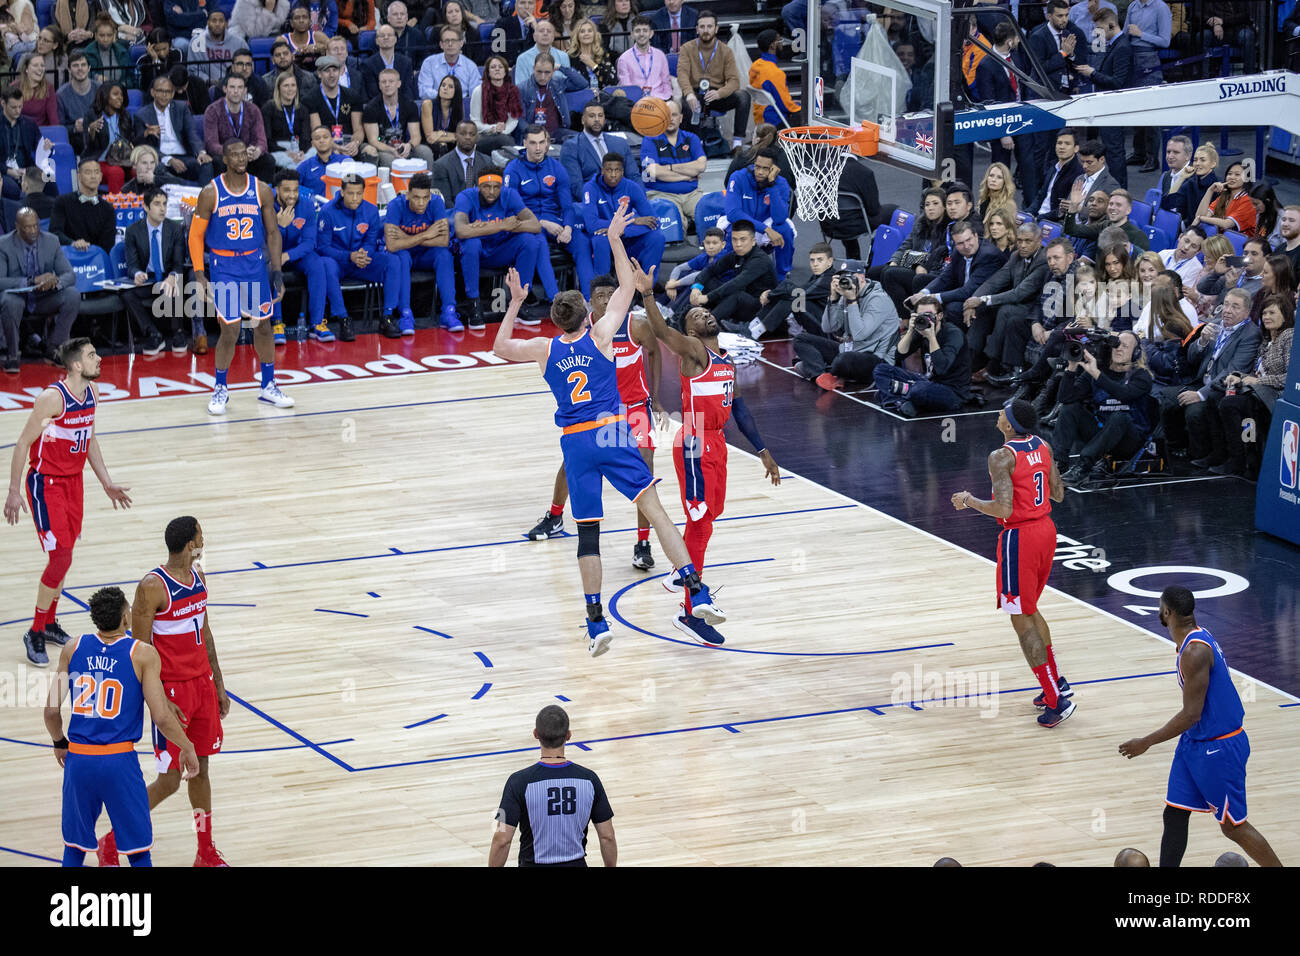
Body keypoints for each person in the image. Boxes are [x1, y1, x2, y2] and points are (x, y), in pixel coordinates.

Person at [492, 207, 724, 655]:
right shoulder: (600, 337)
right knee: (654, 506)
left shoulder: (544, 348)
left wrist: (517, 302)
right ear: (585, 315)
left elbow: (501, 347)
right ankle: (696, 587)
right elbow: (625, 288)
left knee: (588, 535)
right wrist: (616, 238)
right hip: (610, 431)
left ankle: (596, 621)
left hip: (575, 442)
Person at [637, 263, 777, 644]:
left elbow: (740, 410)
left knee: (710, 517)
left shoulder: (726, 361)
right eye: (698, 314)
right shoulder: (694, 351)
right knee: (698, 518)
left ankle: (678, 572)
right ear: (691, 331)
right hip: (695, 441)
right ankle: (689, 607)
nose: (706, 313)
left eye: (707, 310)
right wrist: (648, 294)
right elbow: (663, 331)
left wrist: (763, 450)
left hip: (718, 444)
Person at [1119, 586, 1282, 867]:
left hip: (1219, 746)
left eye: (1160, 607)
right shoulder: (1194, 639)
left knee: (1233, 826)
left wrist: (1146, 741)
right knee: (1175, 813)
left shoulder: (1194, 651)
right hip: (1194, 743)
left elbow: (1192, 714)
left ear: (1166, 612)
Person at [44, 586, 199, 868]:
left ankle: (67, 910)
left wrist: (59, 742)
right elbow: (161, 717)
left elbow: (51, 711)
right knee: (138, 851)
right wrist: (187, 747)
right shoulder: (142, 654)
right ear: (125, 617)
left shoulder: (72, 648)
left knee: (75, 848)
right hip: (118, 761)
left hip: (79, 760)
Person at [110, 516, 234, 868]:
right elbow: (139, 647)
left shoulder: (200, 579)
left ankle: (205, 851)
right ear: (189, 544)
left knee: (202, 771)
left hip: (202, 687)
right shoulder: (152, 587)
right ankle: (112, 840)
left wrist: (219, 685)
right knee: (169, 781)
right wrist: (159, 699)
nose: (204, 540)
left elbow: (205, 634)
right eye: (200, 535)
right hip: (172, 693)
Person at [525, 272, 665, 569]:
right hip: (600, 412)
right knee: (571, 462)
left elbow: (654, 352)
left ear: (617, 297)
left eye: (608, 294)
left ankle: (642, 542)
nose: (604, 299)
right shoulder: (582, 332)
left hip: (634, 407)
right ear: (589, 302)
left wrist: (656, 396)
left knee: (646, 465)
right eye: (598, 295)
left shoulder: (635, 325)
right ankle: (554, 515)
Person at [4, 338, 131, 664]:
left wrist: (106, 482)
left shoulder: (93, 394)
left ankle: (47, 624)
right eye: (92, 355)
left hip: (74, 484)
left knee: (66, 556)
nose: (99, 358)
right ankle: (34, 631)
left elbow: (88, 439)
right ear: (76, 365)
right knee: (59, 557)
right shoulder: (52, 399)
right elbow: (22, 444)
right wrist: (14, 491)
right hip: (45, 485)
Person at [951, 399, 1073, 727]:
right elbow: (1058, 493)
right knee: (1031, 609)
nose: (997, 413)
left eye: (1001, 411)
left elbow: (1004, 509)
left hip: (1019, 538)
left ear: (1009, 424)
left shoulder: (1001, 456)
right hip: (1047, 531)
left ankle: (1054, 699)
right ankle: (1056, 680)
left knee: (1020, 618)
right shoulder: (1043, 445)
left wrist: (969, 501)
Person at [190, 139, 294, 415]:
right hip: (224, 266)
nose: (239, 158)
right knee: (231, 330)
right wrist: (200, 273)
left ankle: (268, 385)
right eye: (233, 154)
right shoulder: (210, 192)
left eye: (243, 153)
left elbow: (273, 233)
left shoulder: (261, 189)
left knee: (263, 326)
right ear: (224, 158)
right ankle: (221, 387)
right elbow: (196, 236)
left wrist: (276, 271)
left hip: (255, 264)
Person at [490, 705, 616, 866]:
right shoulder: (590, 780)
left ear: (536, 734)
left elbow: (501, 839)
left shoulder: (517, 782)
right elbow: (607, 836)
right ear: (568, 735)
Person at [1158, 288, 1261, 465]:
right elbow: (1191, 358)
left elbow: (1233, 369)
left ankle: (1200, 457)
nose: (1228, 310)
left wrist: (1200, 395)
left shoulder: (1250, 334)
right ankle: (1176, 449)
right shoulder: (1215, 323)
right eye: (1226, 304)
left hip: (1220, 389)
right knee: (1165, 397)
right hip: (1200, 381)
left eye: (1235, 307)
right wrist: (1202, 342)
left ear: (1246, 312)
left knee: (1194, 411)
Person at [1050, 331, 1154, 485]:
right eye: (1116, 345)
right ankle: (1060, 464)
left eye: (1125, 347)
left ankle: (1083, 466)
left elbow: (1123, 394)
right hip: (1101, 436)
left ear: (1136, 353)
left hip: (1129, 441)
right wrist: (1071, 368)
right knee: (1070, 408)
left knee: (1120, 416)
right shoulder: (1099, 371)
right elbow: (1065, 398)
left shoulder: (1141, 376)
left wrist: (1096, 373)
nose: (1119, 349)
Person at [505, 124, 594, 298]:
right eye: (532, 143)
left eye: (541, 142)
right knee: (539, 243)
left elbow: (567, 206)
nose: (538, 148)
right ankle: (556, 299)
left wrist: (568, 227)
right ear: (524, 143)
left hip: (556, 221)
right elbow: (511, 210)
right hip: (528, 225)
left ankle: (590, 300)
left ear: (547, 143)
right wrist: (541, 223)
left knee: (582, 242)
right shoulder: (513, 169)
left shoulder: (557, 167)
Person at [316, 172, 407, 339]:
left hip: (362, 261)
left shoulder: (371, 210)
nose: (355, 198)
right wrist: (349, 256)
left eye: (359, 193)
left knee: (393, 261)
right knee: (325, 264)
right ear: (342, 192)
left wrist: (364, 254)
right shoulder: (327, 212)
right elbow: (323, 247)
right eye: (350, 193)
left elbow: (371, 242)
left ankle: (386, 317)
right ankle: (343, 318)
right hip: (338, 262)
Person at [1213, 295, 1293, 478]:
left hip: (1274, 396)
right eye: (1264, 312)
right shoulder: (1266, 341)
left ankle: (1241, 461)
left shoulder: (1289, 336)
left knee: (1231, 404)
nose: (1266, 316)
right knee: (1222, 396)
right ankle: (1242, 459)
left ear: (1285, 315)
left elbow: (1290, 377)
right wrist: (1239, 377)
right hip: (1257, 393)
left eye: (1272, 312)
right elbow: (1257, 374)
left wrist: (1257, 382)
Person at [964, 223, 1050, 384]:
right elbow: (995, 281)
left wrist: (983, 299)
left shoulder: (1044, 261)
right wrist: (974, 301)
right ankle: (971, 357)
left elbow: (1020, 293)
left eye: (1028, 241)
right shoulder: (1016, 256)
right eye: (1019, 241)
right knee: (983, 309)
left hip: (1035, 309)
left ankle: (992, 365)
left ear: (1039, 241)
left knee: (1005, 311)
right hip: (1017, 303)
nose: (1023, 245)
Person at [795, 259, 896, 389]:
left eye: (850, 276)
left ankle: (819, 368)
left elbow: (860, 334)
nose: (846, 280)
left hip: (876, 358)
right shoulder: (846, 294)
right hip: (851, 349)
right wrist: (833, 298)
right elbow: (828, 327)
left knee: (843, 360)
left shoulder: (878, 299)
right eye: (843, 276)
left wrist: (852, 301)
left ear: (862, 277)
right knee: (801, 339)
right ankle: (819, 374)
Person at [272, 168, 347, 343]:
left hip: (295, 254)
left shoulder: (306, 205)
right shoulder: (266, 206)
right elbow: (263, 240)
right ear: (277, 190)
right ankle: (276, 322)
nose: (292, 195)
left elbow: (309, 242)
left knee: (317, 264)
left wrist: (288, 256)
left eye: (295, 190)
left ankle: (317, 323)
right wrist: (281, 228)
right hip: (272, 253)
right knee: (269, 266)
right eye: (286, 190)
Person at [383, 171, 460, 333]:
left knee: (444, 255)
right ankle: (405, 314)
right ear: (408, 194)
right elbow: (391, 246)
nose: (421, 203)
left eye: (425, 197)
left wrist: (406, 238)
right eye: (416, 197)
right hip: (406, 254)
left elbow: (443, 240)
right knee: (401, 256)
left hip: (426, 255)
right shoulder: (395, 206)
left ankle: (449, 312)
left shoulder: (437, 202)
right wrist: (426, 234)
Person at [873, 295, 972, 418]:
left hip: (952, 392)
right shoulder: (921, 330)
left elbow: (942, 368)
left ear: (939, 316)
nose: (926, 318)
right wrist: (910, 330)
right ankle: (899, 402)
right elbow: (899, 355)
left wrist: (931, 337)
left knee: (918, 390)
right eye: (921, 315)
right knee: (882, 370)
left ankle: (896, 395)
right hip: (928, 382)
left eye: (929, 314)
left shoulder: (953, 334)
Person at [975, 22, 1037, 205]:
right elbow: (989, 103)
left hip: (1021, 119)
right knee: (1001, 168)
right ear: (1010, 41)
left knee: (1028, 165)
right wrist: (1003, 132)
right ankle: (999, 205)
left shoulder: (1017, 57)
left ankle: (1031, 205)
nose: (1019, 41)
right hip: (1002, 124)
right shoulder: (986, 65)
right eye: (1017, 38)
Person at [122, 187, 188, 355]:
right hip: (149, 280)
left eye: (164, 204)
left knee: (177, 283)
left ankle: (178, 333)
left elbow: (179, 263)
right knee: (127, 294)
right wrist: (137, 274)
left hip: (169, 276)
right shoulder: (133, 231)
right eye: (157, 204)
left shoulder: (175, 229)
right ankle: (153, 334)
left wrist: (172, 277)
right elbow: (131, 265)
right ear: (146, 207)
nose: (162, 208)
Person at [903, 221, 1005, 330]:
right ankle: (920, 327)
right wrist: (923, 293)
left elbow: (968, 291)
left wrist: (930, 298)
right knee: (921, 281)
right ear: (955, 243)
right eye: (960, 243)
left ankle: (946, 338)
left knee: (952, 307)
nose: (966, 246)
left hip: (985, 301)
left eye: (968, 240)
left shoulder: (988, 256)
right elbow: (946, 277)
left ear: (976, 236)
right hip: (963, 291)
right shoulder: (958, 250)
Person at [1073, 8, 1132, 188]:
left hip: (1113, 108)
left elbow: (1117, 82)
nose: (1097, 33)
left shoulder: (1122, 47)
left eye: (1100, 28)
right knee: (1113, 151)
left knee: (1114, 153)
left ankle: (1119, 192)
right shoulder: (1116, 44)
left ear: (1111, 25)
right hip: (1108, 107)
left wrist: (1092, 73)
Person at [582, 153, 664, 280]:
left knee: (657, 237)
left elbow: (653, 221)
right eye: (609, 170)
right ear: (602, 170)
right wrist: (633, 221)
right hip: (605, 240)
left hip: (627, 240)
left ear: (622, 171)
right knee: (600, 239)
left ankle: (647, 289)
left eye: (617, 170)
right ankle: (603, 290)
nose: (613, 175)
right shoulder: (590, 188)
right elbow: (591, 224)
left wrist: (624, 230)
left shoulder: (631, 187)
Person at [675, 9, 748, 152]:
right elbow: (682, 74)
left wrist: (720, 93)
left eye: (709, 26)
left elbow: (734, 81)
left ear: (716, 29)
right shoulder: (686, 48)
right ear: (697, 29)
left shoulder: (725, 51)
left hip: (717, 95)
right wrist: (688, 93)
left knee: (743, 97)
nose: (706, 30)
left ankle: (737, 143)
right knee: (684, 104)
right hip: (695, 94)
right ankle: (695, 145)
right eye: (702, 27)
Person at [679, 219, 775, 326]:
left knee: (736, 294)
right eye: (735, 239)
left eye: (743, 240)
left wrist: (707, 297)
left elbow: (737, 283)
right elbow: (711, 269)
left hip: (758, 308)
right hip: (738, 302)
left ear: (753, 241)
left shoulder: (760, 260)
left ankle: (706, 326)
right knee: (706, 282)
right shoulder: (736, 255)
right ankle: (684, 319)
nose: (738, 244)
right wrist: (696, 288)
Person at [721, 147, 795, 281]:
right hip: (743, 224)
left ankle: (781, 277)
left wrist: (772, 186)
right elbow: (733, 213)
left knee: (785, 229)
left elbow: (779, 218)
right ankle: (730, 276)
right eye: (757, 166)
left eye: (765, 168)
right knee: (735, 231)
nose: (760, 172)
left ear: (774, 169)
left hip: (764, 225)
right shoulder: (738, 177)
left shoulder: (781, 183)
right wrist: (766, 229)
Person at [743, 240, 836, 340]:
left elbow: (799, 292)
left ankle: (754, 332)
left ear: (830, 262)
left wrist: (770, 294)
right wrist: (775, 293)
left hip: (828, 332)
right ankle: (751, 327)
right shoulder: (820, 275)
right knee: (789, 293)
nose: (815, 264)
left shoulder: (828, 279)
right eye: (812, 260)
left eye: (820, 260)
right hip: (817, 319)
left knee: (793, 297)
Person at [1121, 0, 1170, 171]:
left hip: (1149, 57)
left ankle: (1152, 157)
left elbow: (1165, 41)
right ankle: (1139, 152)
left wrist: (1141, 34)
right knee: (1135, 108)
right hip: (1131, 58)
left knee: (1150, 110)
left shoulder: (1161, 7)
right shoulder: (1133, 6)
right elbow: (1126, 33)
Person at [639, 99, 705, 225]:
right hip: (662, 194)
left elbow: (701, 166)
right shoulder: (649, 139)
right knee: (676, 226)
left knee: (710, 214)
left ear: (680, 118)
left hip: (692, 194)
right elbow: (653, 171)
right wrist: (687, 175)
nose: (670, 119)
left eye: (674, 115)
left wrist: (668, 168)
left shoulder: (692, 138)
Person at [138, 74, 212, 184]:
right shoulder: (143, 114)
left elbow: (192, 134)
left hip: (184, 157)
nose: (164, 95)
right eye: (160, 91)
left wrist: (201, 152)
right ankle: (187, 189)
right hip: (160, 159)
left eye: (168, 92)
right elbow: (145, 146)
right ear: (153, 93)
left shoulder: (181, 108)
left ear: (173, 94)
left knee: (206, 164)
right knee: (157, 171)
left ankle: (203, 197)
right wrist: (169, 160)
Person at [203, 75, 277, 182]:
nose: (236, 91)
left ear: (245, 90)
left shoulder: (253, 110)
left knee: (268, 160)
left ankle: (260, 195)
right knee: (218, 161)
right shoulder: (213, 110)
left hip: (248, 157)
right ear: (225, 89)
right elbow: (211, 144)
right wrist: (236, 153)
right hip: (226, 157)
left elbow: (261, 141)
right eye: (232, 87)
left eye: (240, 87)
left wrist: (257, 151)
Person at [303, 55, 374, 162]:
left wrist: (355, 143)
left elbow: (358, 130)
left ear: (340, 72)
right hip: (325, 144)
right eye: (327, 71)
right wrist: (336, 147)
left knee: (371, 151)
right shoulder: (310, 98)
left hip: (350, 143)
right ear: (319, 74)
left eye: (335, 70)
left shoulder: (353, 96)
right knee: (334, 154)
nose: (332, 75)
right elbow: (318, 132)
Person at [73, 82, 139, 195]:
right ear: (105, 96)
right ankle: (115, 207)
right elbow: (88, 145)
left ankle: (137, 206)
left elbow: (131, 140)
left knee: (138, 172)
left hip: (122, 161)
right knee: (116, 172)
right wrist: (91, 131)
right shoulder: (92, 115)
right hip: (99, 161)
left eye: (122, 95)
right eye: (115, 94)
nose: (120, 98)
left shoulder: (125, 115)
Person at [363, 68, 435, 170]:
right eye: (383, 82)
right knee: (392, 162)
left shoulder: (409, 105)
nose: (387, 84)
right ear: (379, 85)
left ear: (399, 84)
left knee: (425, 151)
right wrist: (391, 150)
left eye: (391, 81)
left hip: (403, 147)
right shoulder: (371, 108)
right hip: (383, 150)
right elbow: (373, 141)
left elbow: (416, 136)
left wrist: (409, 145)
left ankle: (426, 184)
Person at [560, 102, 631, 202]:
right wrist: (606, 203)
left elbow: (634, 176)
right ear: (583, 120)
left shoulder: (620, 143)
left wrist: (639, 199)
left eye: (600, 116)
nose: (597, 120)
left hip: (623, 200)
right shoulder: (571, 147)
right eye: (592, 116)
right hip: (595, 203)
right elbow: (576, 187)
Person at [50, 157, 116, 254]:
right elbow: (55, 232)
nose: (93, 176)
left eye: (96, 172)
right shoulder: (62, 202)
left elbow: (107, 245)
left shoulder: (108, 209)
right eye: (88, 172)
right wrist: (73, 243)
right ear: (78, 176)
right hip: (68, 256)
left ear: (101, 176)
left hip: (96, 260)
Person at [1064, 188, 1149, 252]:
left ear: (1128, 210)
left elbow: (1141, 267)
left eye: (1118, 205)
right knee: (1068, 274)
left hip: (1124, 275)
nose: (1113, 208)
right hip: (1098, 273)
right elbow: (1071, 230)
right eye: (1111, 204)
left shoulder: (1138, 236)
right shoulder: (1103, 226)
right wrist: (1073, 207)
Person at [472, 54, 523, 155]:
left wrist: (502, 132)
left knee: (504, 140)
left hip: (505, 134)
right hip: (483, 135)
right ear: (488, 72)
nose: (497, 69)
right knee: (505, 142)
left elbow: (513, 120)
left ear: (505, 71)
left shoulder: (512, 91)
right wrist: (493, 129)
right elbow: (475, 122)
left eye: (500, 67)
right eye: (493, 67)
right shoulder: (478, 91)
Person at [429, 120, 489, 205]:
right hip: (454, 213)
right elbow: (444, 201)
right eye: (463, 134)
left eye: (472, 134)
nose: (468, 137)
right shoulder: (441, 165)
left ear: (477, 137)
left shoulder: (487, 162)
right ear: (456, 136)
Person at [748, 29, 798, 128]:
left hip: (760, 116)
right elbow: (786, 106)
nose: (782, 45)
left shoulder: (756, 65)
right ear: (773, 45)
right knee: (809, 115)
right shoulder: (775, 73)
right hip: (775, 120)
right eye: (780, 41)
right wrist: (802, 106)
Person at [517, 54, 572, 144]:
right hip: (533, 135)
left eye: (547, 72)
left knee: (582, 141)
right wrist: (534, 133)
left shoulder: (558, 84)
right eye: (539, 72)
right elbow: (519, 119)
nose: (543, 77)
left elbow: (582, 83)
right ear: (534, 68)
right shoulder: (522, 88)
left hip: (557, 133)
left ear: (553, 72)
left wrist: (561, 68)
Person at [0, 86, 42, 201]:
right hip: (4, 172)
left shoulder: (29, 124)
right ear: (3, 103)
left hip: (26, 170)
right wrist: (8, 171)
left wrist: (47, 148)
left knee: (49, 183)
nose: (18, 111)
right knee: (12, 189)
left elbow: (40, 150)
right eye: (13, 107)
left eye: (20, 106)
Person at [420, 23, 482, 102]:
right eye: (446, 41)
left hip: (462, 107)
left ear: (461, 43)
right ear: (441, 44)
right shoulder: (429, 63)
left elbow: (476, 94)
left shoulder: (470, 66)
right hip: (437, 105)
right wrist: (444, 95)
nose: (450, 44)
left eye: (453, 40)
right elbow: (424, 91)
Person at [262, 70, 311, 169]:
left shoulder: (302, 109)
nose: (290, 89)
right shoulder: (269, 108)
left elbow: (306, 138)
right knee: (292, 165)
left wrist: (301, 152)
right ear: (278, 88)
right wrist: (286, 152)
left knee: (313, 155)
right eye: (286, 85)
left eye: (293, 85)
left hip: (298, 150)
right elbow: (267, 140)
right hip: (278, 150)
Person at [1190, 162, 1255, 235]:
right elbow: (1200, 214)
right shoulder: (1224, 197)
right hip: (1220, 240)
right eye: (1229, 174)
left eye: (1237, 174)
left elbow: (1226, 224)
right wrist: (1210, 190)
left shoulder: (1248, 203)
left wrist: (1200, 218)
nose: (1232, 177)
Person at [188, 10, 247, 88]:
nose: (217, 24)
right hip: (206, 86)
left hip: (235, 86)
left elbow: (248, 67)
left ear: (226, 24)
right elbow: (193, 70)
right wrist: (209, 81)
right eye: (214, 21)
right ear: (208, 23)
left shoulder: (240, 43)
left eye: (221, 21)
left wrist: (233, 82)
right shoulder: (196, 43)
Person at [361, 24, 414, 102]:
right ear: (377, 41)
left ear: (395, 39)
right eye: (382, 36)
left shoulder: (406, 62)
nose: (386, 37)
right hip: (378, 107)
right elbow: (373, 93)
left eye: (389, 35)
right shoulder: (368, 64)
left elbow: (408, 91)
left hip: (403, 106)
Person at [421, 75, 465, 160]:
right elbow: (430, 138)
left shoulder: (458, 107)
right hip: (428, 144)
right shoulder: (428, 104)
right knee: (441, 146)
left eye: (450, 87)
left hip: (449, 143)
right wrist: (452, 137)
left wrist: (441, 133)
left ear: (457, 91)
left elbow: (460, 135)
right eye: (443, 85)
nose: (445, 88)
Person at [83, 15, 133, 90]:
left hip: (120, 92)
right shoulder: (87, 52)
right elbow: (82, 74)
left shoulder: (123, 52)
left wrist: (122, 86)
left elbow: (131, 78)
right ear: (96, 35)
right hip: (98, 92)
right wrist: (95, 77)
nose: (105, 39)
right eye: (102, 35)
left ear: (114, 35)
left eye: (109, 35)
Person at [296, 123, 347, 196]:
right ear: (312, 144)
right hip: (316, 206)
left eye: (325, 137)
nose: (321, 140)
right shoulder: (304, 167)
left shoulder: (345, 161)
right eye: (317, 138)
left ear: (332, 140)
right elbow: (294, 187)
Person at [56, 52, 99, 136]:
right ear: (69, 69)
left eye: (83, 65)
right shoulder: (61, 95)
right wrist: (74, 128)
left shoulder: (99, 89)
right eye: (75, 65)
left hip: (98, 135)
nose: (80, 68)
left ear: (89, 68)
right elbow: (60, 126)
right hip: (74, 139)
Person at [136, 29, 183, 98]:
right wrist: (155, 59)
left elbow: (172, 80)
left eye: (164, 49)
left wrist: (158, 63)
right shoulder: (143, 60)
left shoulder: (177, 54)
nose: (161, 53)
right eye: (157, 50)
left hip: (174, 95)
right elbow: (146, 86)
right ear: (150, 47)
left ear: (170, 45)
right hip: (151, 97)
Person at [17, 53, 58, 127]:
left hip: (41, 133)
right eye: (35, 65)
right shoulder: (15, 87)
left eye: (42, 65)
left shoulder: (49, 88)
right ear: (26, 69)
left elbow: (54, 118)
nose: (40, 69)